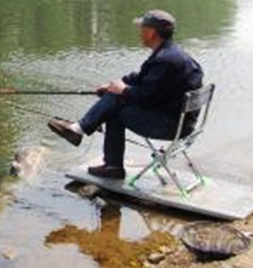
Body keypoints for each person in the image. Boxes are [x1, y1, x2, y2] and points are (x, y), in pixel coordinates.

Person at [48, 10, 204, 180]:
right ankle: (108, 161)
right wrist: (113, 86)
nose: (139, 32)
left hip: (170, 126)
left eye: (142, 28)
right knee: (115, 99)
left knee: (115, 104)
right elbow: (140, 79)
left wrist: (122, 90)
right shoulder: (172, 54)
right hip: (181, 122)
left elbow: (146, 97)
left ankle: (82, 133)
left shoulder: (164, 60)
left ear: (151, 32)